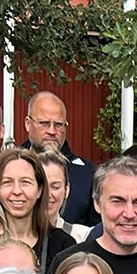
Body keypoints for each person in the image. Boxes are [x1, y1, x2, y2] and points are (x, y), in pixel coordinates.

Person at [0, 147, 76, 271]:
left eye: (25, 182)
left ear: (39, 190)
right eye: (7, 182)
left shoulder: (62, 245)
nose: (17, 191)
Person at [25, 91, 95, 226]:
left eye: (58, 125)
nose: (52, 131)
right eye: (44, 123)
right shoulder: (12, 167)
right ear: (28, 124)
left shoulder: (86, 175)